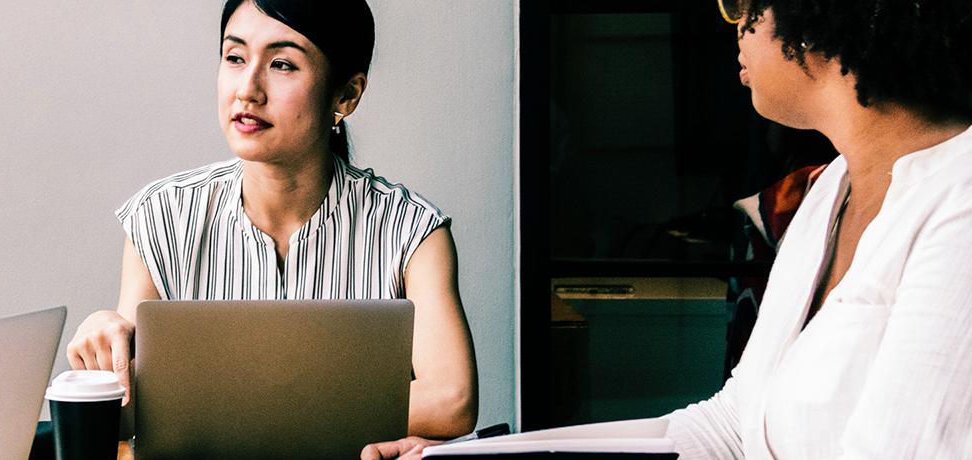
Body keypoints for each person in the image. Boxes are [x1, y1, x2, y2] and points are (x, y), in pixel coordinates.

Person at [370, 0, 972, 457]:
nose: (734, 23)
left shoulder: (960, 203)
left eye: (744, 3)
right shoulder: (827, 196)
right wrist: (468, 455)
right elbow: (725, 429)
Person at [65, 0, 479, 444]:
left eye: (282, 64)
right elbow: (135, 412)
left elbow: (452, 401)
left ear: (347, 95)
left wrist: (217, 409)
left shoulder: (411, 229)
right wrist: (102, 341)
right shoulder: (162, 216)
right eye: (235, 57)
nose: (247, 89)